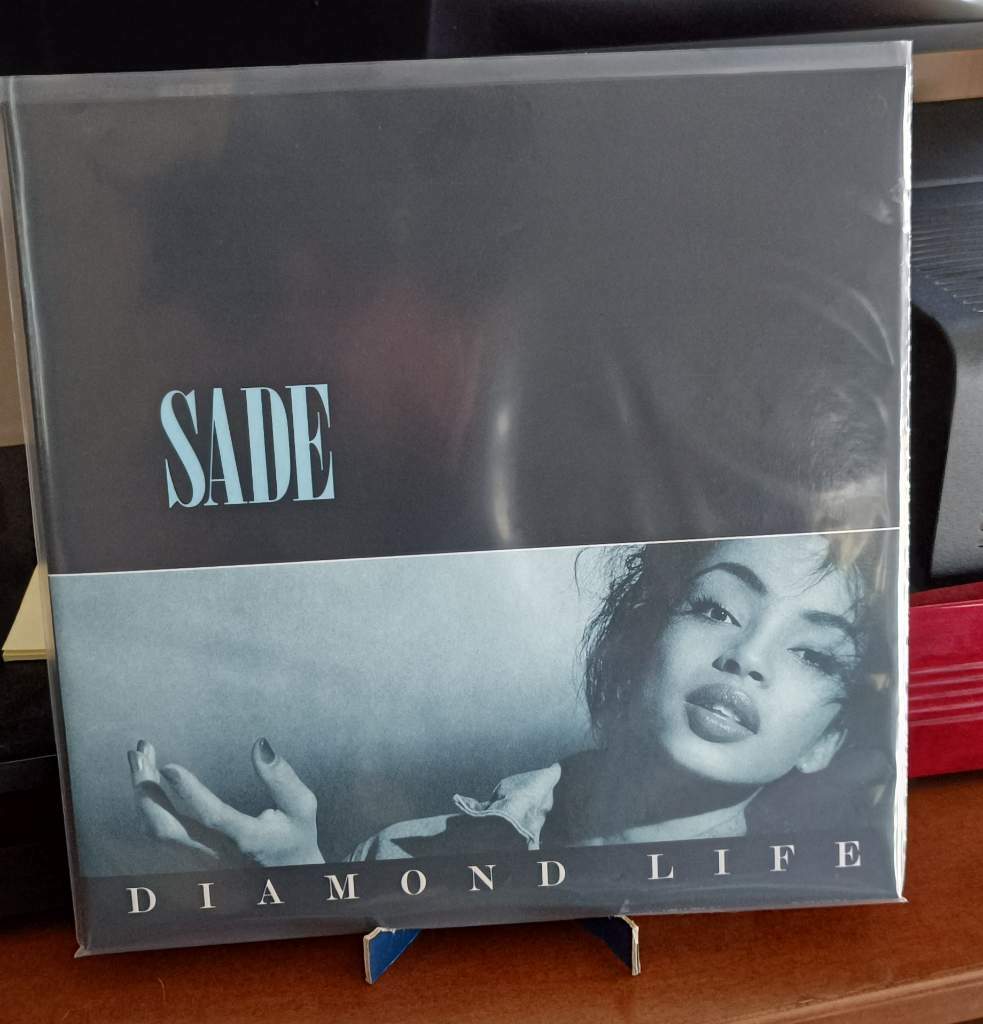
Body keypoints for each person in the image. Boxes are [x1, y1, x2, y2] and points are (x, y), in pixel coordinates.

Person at [127, 531, 893, 866]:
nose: (746, 657)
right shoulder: (405, 854)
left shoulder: (798, 908)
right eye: (715, 609)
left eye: (812, 654)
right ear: (644, 638)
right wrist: (303, 890)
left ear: (831, 738)